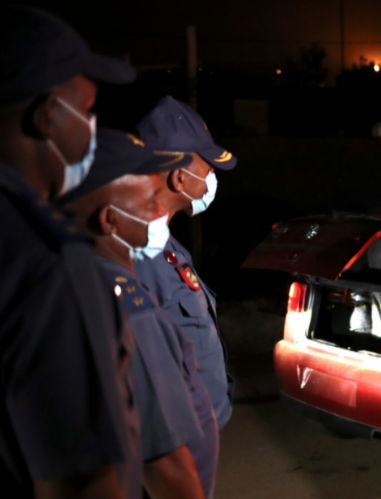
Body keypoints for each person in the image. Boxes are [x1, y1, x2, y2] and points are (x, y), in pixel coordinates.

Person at [0, 6, 141, 499]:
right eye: (88, 108)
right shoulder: (45, 263)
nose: (92, 129)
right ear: (48, 115)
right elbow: (80, 482)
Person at [61, 128, 220, 499]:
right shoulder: (131, 313)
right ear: (108, 221)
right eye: (149, 202)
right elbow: (165, 463)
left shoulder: (68, 282)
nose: (158, 212)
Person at [134, 95, 237, 429]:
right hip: (176, 439)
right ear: (179, 178)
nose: (211, 180)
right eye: (207, 170)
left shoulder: (165, 243)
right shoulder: (135, 255)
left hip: (199, 429)